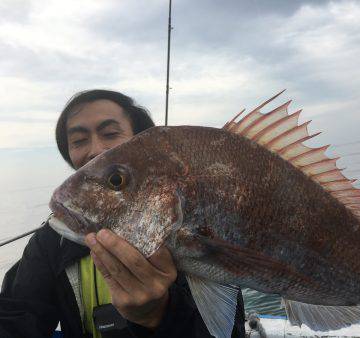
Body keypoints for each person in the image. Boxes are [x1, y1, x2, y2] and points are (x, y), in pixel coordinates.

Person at [0, 89, 246, 338]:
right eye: (78, 140)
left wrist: (159, 316)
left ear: (141, 141)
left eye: (110, 133)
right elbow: (16, 317)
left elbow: (228, 331)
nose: (95, 150)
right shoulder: (52, 242)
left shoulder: (189, 224)